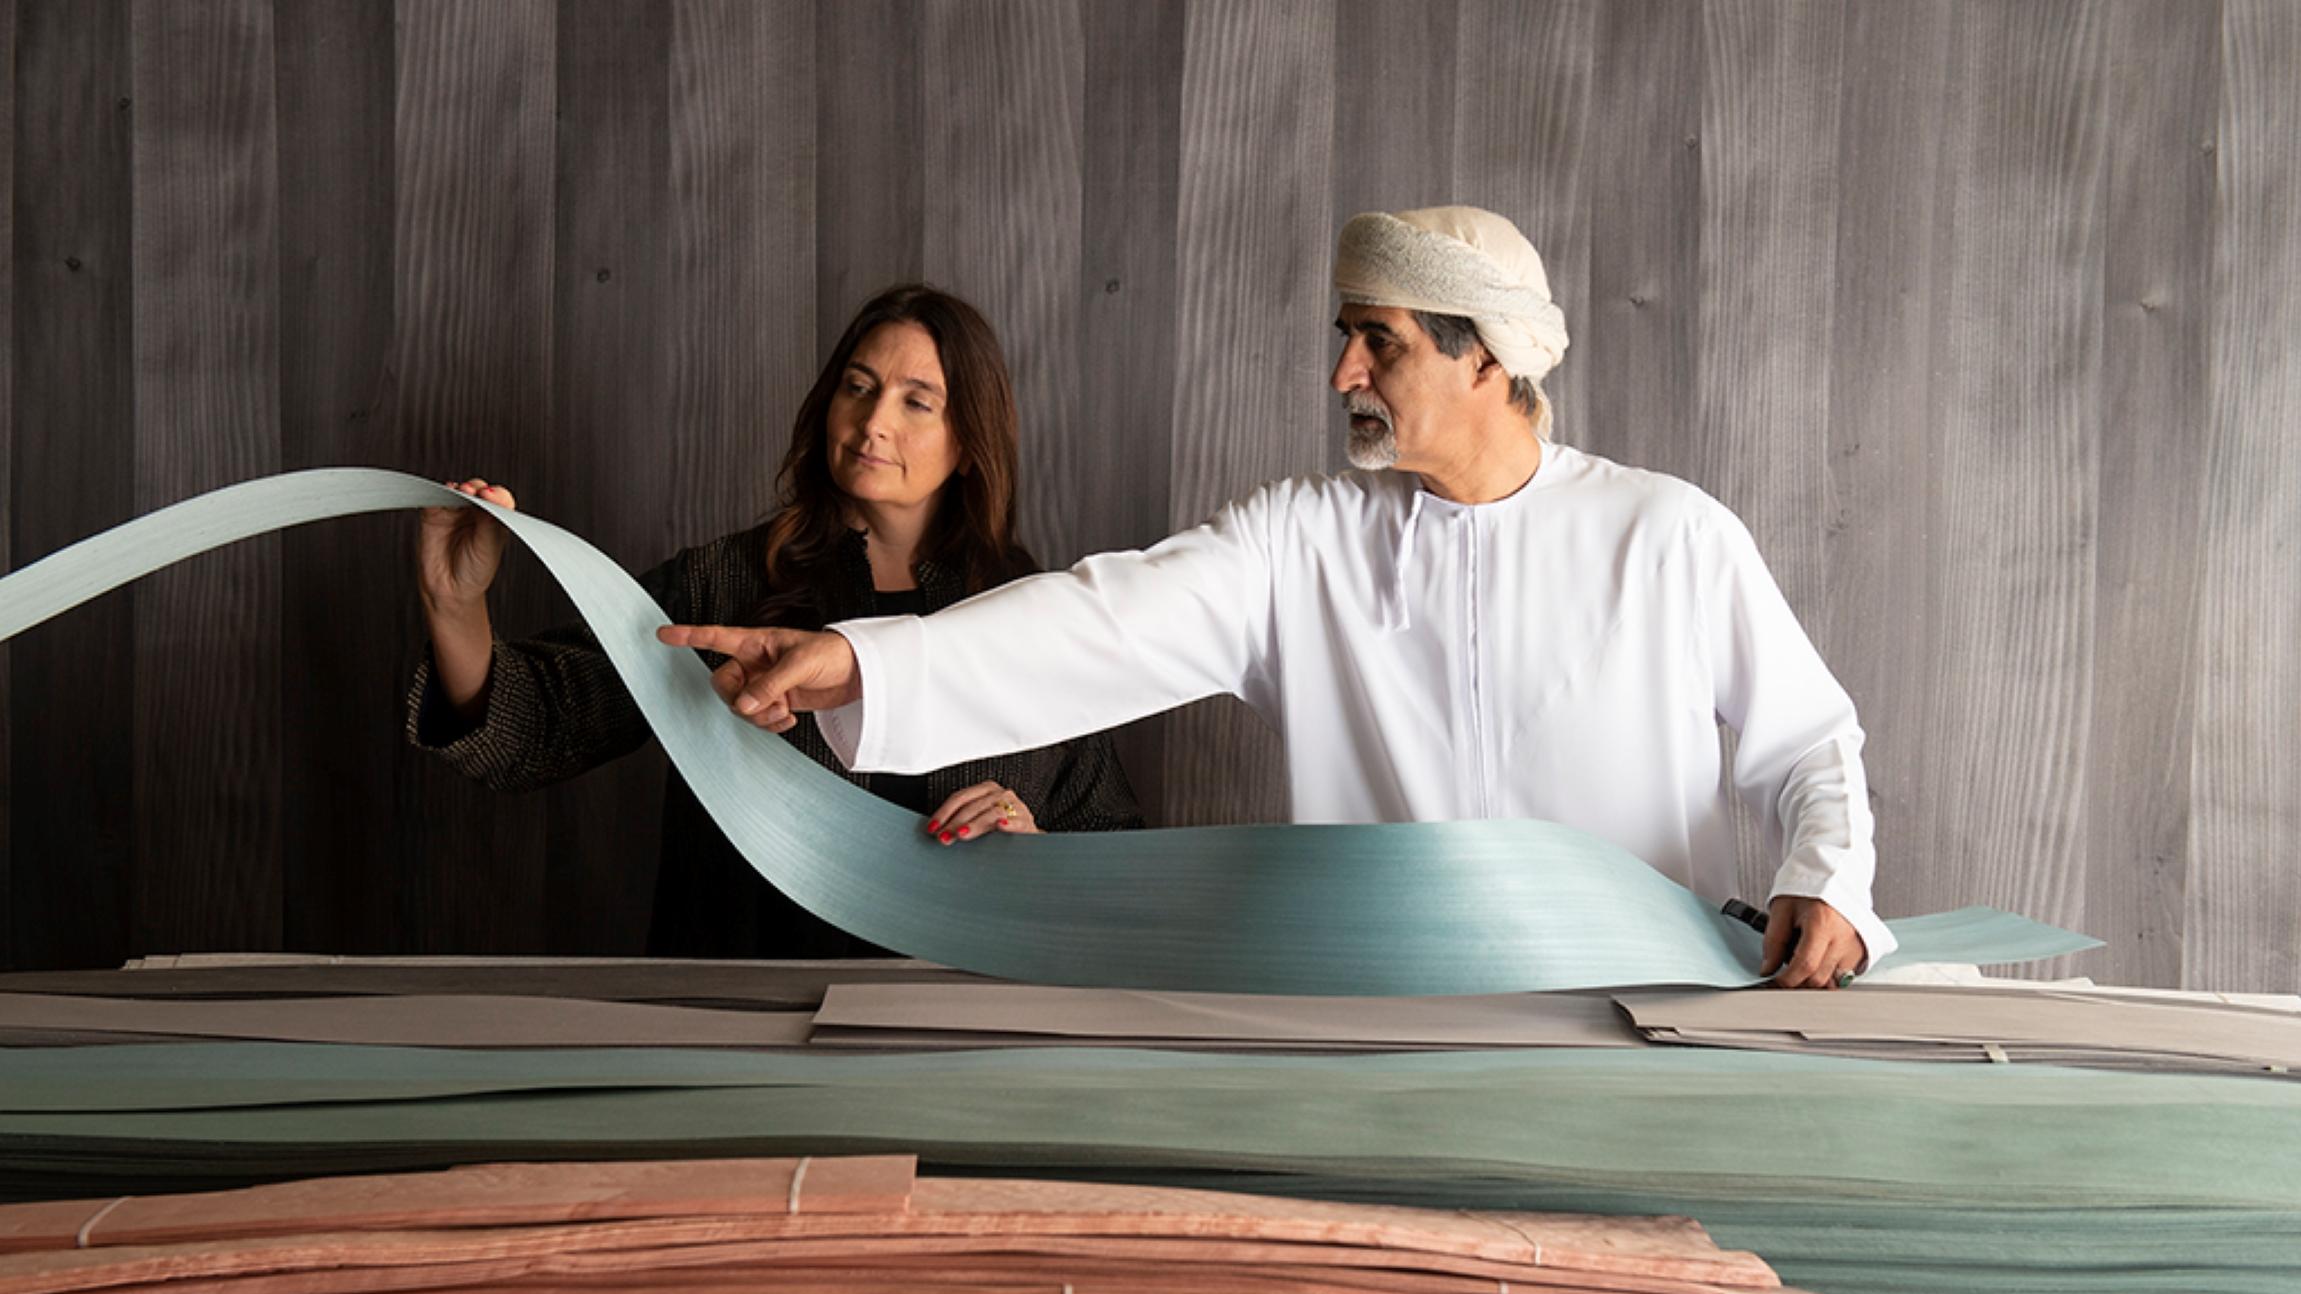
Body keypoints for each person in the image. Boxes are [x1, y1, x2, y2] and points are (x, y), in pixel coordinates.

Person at [665, 209, 1887, 988]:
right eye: (1344, 336)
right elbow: (1101, 619)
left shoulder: (1664, 534)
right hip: (1379, 1025)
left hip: (1638, 1011)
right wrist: (856, 662)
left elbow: (1805, 744)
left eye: (1381, 342)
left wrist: (1823, 876)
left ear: (1486, 358)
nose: (1342, 373)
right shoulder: (1301, 540)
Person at [407, 284, 1142, 958]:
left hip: (960, 1025)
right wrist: (454, 603)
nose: (872, 422)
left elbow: (1113, 850)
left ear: (969, 445)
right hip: (742, 1014)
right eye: (858, 387)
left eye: (917, 402)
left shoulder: (1030, 614)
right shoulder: (723, 582)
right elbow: (533, 729)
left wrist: (1032, 843)